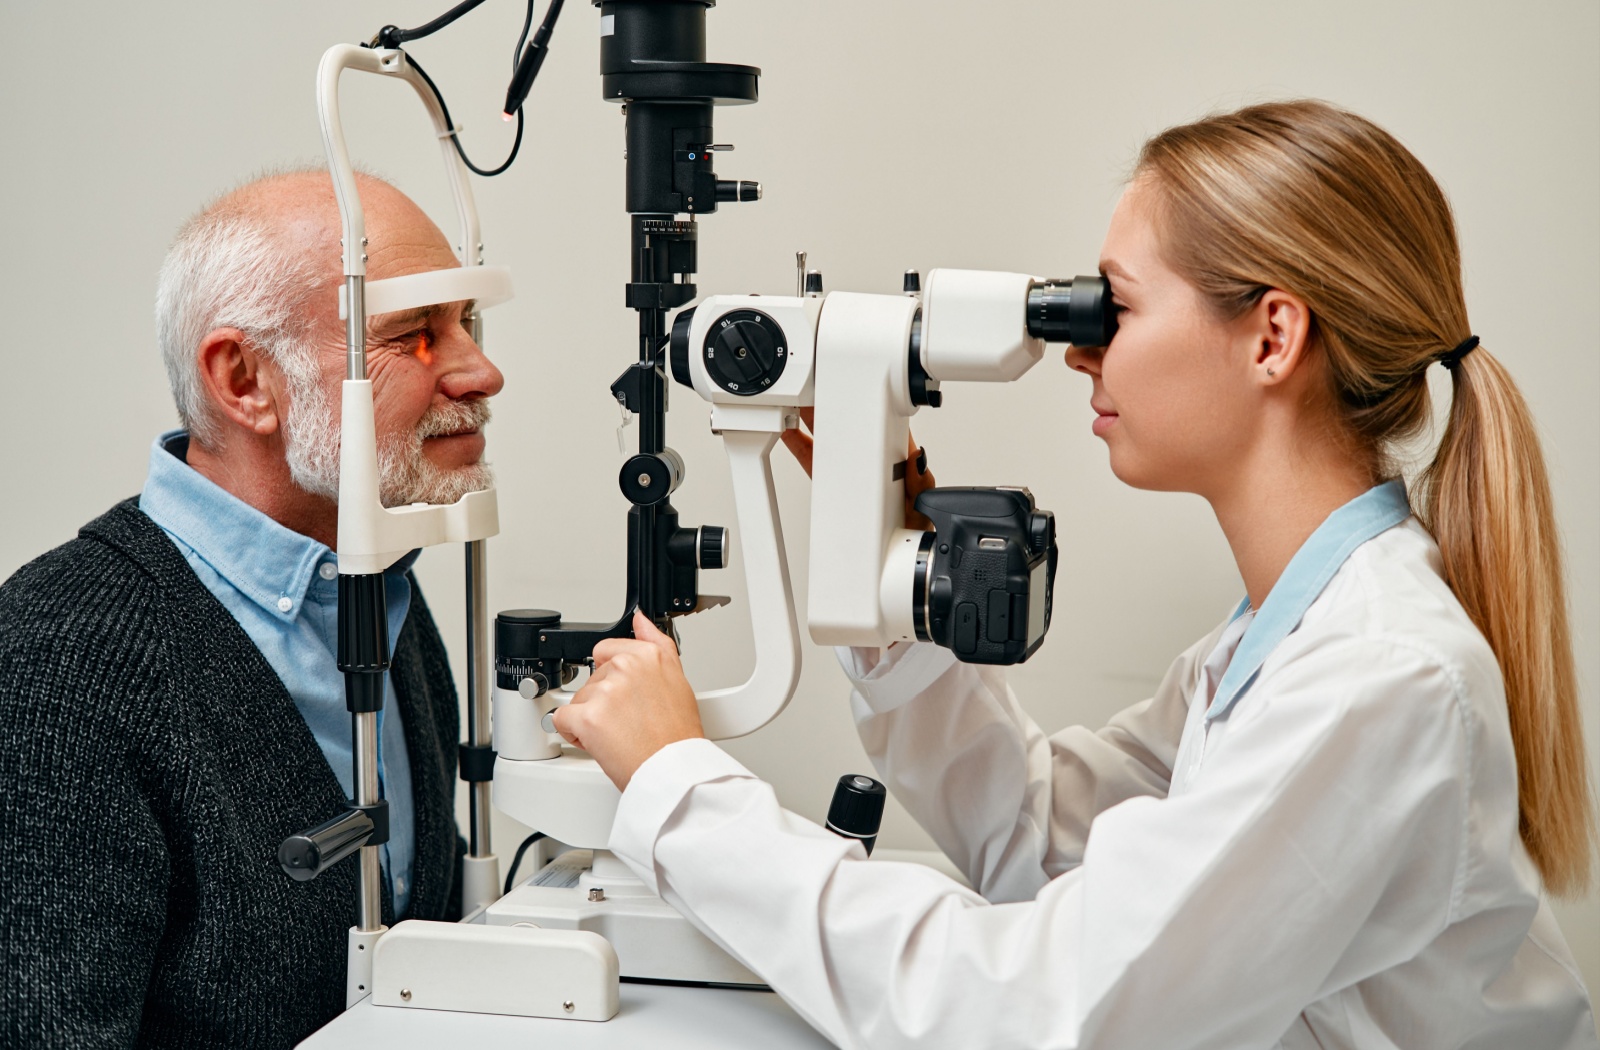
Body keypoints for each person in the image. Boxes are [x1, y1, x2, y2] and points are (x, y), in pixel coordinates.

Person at [549, 101, 1599, 1048]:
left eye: (1114, 310)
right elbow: (1045, 839)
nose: (1078, 353)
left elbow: (1034, 1012)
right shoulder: (1276, 638)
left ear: (1272, 336)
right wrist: (879, 558)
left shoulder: (1376, 676)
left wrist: (680, 790)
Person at [0, 169, 504, 1048]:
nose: (480, 371)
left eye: (468, 324)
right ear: (245, 382)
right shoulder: (55, 665)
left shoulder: (379, 587)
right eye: (416, 334)